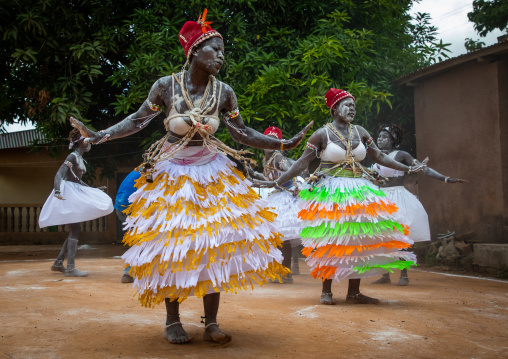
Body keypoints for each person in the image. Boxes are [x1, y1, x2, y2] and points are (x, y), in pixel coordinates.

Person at [69, 10, 311, 345]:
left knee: (215, 245)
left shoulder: (224, 92)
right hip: (173, 174)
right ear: (195, 51)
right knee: (176, 248)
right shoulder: (167, 86)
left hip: (213, 173)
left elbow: (240, 132)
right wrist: (100, 135)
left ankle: (211, 321)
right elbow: (138, 119)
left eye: (223, 52)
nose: (222, 57)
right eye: (215, 50)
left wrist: (281, 142)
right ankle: (173, 321)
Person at [255, 89, 425, 305]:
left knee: (358, 240)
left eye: (353, 104)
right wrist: (275, 182)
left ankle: (354, 292)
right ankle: (326, 290)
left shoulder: (361, 132)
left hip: (360, 192)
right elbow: (300, 163)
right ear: (334, 108)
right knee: (333, 239)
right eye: (346, 104)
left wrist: (407, 168)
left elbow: (380, 156)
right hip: (332, 192)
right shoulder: (321, 134)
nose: (352, 108)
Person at [371, 124, 467, 286]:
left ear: (393, 139)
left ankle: (404, 273)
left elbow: (423, 169)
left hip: (397, 198)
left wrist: (445, 178)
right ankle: (385, 274)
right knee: (382, 237)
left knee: (401, 237)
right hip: (380, 198)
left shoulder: (401, 155)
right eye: (379, 137)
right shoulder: (376, 156)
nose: (380, 139)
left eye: (384, 137)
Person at [39, 129, 114, 277]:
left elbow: (78, 180)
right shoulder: (72, 156)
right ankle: (71, 268)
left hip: (75, 190)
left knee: (75, 230)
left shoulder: (79, 157)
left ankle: (58, 263)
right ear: (81, 142)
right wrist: (57, 191)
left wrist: (93, 189)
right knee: (76, 230)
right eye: (88, 141)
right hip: (68, 193)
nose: (90, 144)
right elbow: (59, 174)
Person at [249, 126, 305, 284]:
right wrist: (255, 177)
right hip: (277, 195)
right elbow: (270, 179)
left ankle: (286, 273)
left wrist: (292, 187)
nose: (269, 143)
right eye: (267, 139)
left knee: (282, 237)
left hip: (287, 195)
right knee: (278, 238)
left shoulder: (277, 156)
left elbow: (291, 171)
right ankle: (282, 270)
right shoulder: (265, 159)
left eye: (273, 140)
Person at [114, 169, 141, 283]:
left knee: (136, 239)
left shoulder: (139, 170)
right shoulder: (151, 171)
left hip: (120, 206)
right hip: (129, 208)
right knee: (141, 239)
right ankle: (128, 272)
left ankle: (128, 273)